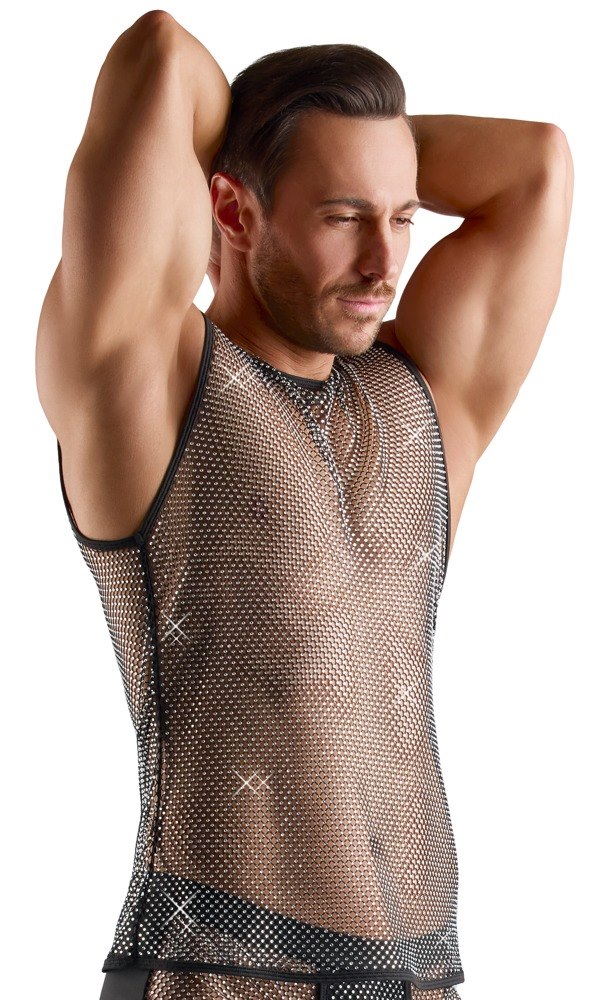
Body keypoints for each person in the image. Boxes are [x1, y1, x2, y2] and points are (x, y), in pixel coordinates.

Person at [35, 10, 573, 1000]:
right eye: (341, 217)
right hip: (216, 970)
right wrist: (261, 140)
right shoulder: (149, 383)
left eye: (401, 217)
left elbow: (535, 166)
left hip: (418, 978)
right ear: (231, 212)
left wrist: (352, 161)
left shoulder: (421, 401)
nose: (382, 263)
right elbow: (160, 56)